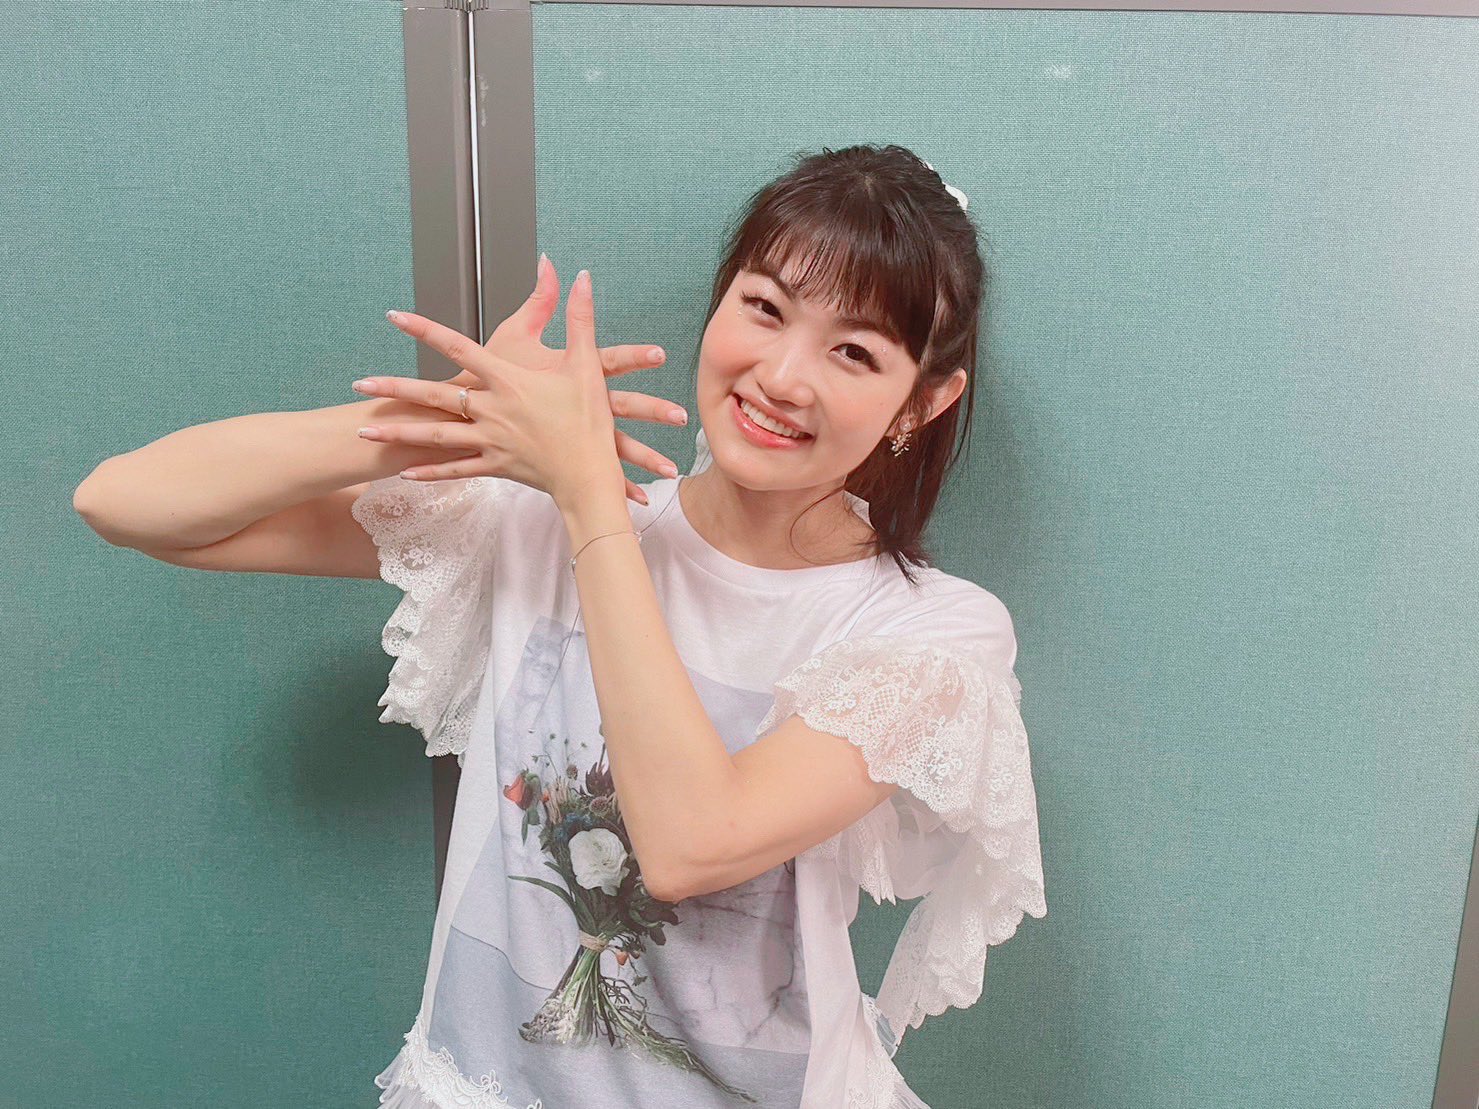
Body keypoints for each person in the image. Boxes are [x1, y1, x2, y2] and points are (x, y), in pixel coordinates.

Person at [73, 143, 1046, 1108]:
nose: (784, 376)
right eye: (764, 307)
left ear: (924, 401)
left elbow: (690, 844)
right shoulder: (531, 516)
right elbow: (128, 503)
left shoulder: (931, 635)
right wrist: (458, 416)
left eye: (853, 352)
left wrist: (587, 499)